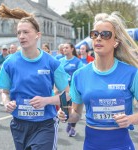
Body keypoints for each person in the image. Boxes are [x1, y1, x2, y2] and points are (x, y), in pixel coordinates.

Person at [58, 12, 138, 150]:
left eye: (105, 34)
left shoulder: (131, 73)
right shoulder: (80, 75)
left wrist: (130, 119)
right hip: (91, 145)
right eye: (95, 34)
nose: (99, 38)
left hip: (121, 145)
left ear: (116, 42)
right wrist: (66, 115)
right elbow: (76, 114)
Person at [0, 4, 69, 150]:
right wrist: (7, 101)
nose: (21, 36)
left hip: (45, 124)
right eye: (19, 33)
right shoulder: (9, 62)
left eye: (26, 32)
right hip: (19, 124)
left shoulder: (52, 63)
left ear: (37, 35)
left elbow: (68, 94)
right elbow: (4, 90)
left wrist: (47, 100)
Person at [59, 42, 83, 137]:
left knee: (74, 109)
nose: (64, 49)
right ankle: (69, 122)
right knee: (65, 109)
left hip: (74, 90)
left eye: (67, 48)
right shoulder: (60, 61)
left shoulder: (77, 62)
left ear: (72, 49)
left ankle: (72, 127)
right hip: (63, 90)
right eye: (63, 48)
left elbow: (81, 75)